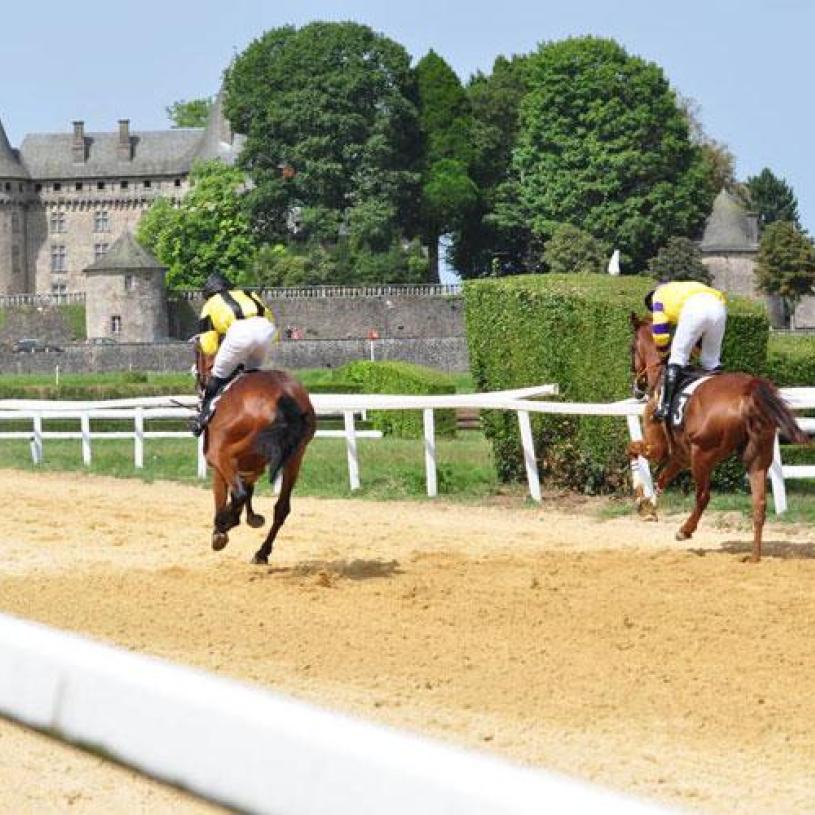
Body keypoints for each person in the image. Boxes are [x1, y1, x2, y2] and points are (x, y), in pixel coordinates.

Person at [190, 272, 277, 436]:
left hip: (239, 333)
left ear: (209, 293)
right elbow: (269, 317)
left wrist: (218, 355)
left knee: (217, 376)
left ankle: (202, 418)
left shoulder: (210, 304)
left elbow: (208, 344)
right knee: (252, 373)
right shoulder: (248, 294)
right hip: (267, 329)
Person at [644, 280, 727, 422]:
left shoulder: (657, 296)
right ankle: (723, 399)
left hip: (694, 308)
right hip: (719, 307)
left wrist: (662, 350)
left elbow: (660, 333)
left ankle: (665, 407)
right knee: (711, 361)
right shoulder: (681, 288)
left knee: (677, 358)